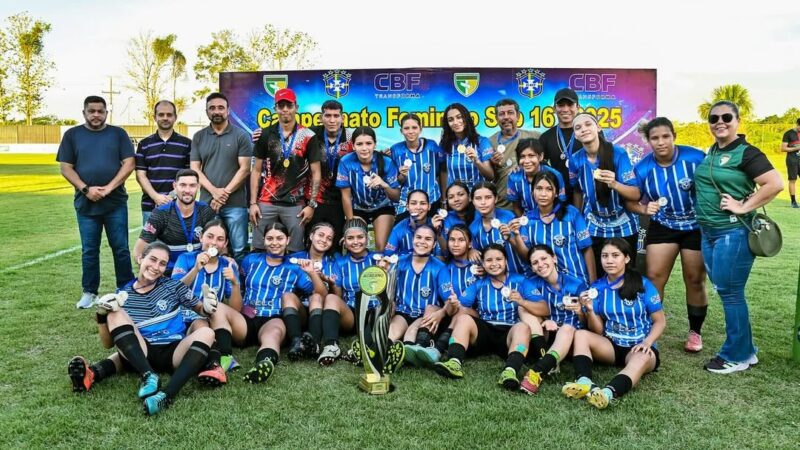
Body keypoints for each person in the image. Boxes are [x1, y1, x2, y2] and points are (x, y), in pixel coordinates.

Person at [67, 242, 219, 416]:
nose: (156, 267)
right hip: (143, 352)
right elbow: (108, 344)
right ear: (140, 258)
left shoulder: (173, 286)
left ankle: (166, 395)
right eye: (152, 259)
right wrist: (103, 317)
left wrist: (207, 307)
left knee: (207, 332)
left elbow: (200, 309)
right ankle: (148, 375)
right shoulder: (123, 294)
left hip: (174, 351)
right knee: (115, 312)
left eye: (162, 263)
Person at [693, 101, 782, 373]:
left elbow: (775, 183)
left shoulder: (747, 152)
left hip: (733, 231)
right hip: (710, 233)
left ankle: (737, 355)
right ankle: (747, 350)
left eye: (726, 117)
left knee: (731, 294)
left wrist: (743, 206)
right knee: (726, 291)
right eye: (714, 118)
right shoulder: (713, 151)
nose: (720, 121)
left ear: (737, 121)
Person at [627, 117, 708, 352]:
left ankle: (695, 332)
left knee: (694, 279)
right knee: (654, 276)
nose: (661, 142)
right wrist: (643, 208)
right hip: (663, 226)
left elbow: (713, 185)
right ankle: (650, 331)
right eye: (655, 138)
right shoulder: (642, 168)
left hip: (694, 226)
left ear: (674, 136)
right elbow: (630, 201)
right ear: (648, 141)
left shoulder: (695, 158)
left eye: (665, 136)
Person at [561, 238, 665, 409]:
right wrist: (590, 310)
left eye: (615, 255)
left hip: (638, 347)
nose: (609, 260)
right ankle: (584, 382)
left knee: (642, 356)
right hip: (611, 345)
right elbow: (598, 330)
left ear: (627, 258)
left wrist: (647, 342)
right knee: (580, 334)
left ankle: (608, 393)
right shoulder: (597, 288)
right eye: (604, 256)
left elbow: (660, 321)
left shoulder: (643, 284)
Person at [57, 95, 135, 309]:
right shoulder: (72, 135)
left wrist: (109, 188)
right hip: (86, 204)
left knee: (120, 248)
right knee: (89, 250)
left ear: (106, 113)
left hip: (115, 203)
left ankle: (125, 289)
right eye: (91, 111)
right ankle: (90, 292)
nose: (96, 115)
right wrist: (85, 189)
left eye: (100, 111)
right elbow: (65, 167)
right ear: (84, 113)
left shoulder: (118, 134)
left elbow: (129, 163)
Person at [433, 244, 545, 390]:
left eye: (498, 259)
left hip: (509, 331)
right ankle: (454, 362)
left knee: (523, 327)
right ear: (483, 264)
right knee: (463, 318)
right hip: (485, 330)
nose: (494, 264)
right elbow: (462, 307)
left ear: (506, 261)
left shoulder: (520, 280)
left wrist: (522, 301)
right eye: (489, 260)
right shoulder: (479, 283)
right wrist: (453, 303)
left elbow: (544, 308)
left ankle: (510, 372)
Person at [239, 223, 328, 382]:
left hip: (274, 319)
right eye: (270, 238)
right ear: (263, 240)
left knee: (272, 335)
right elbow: (240, 283)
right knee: (221, 312)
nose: (274, 242)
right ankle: (217, 358)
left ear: (288, 240)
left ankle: (265, 363)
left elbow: (320, 295)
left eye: (279, 238)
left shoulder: (295, 267)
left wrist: (312, 273)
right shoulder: (250, 260)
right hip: (246, 318)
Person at [569, 112, 640, 276]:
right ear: (575, 135)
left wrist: (614, 184)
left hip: (623, 223)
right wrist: (577, 218)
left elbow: (635, 194)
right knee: (599, 272)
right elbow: (577, 189)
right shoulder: (575, 159)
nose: (583, 129)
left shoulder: (618, 154)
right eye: (578, 127)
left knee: (626, 274)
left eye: (588, 124)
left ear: (598, 127)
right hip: (594, 223)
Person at [251, 88, 321, 254]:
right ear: (275, 108)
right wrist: (253, 203)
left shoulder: (308, 136)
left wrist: (311, 204)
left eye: (288, 105)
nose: (285, 110)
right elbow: (255, 171)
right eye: (281, 106)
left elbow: (316, 173)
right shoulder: (265, 134)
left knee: (295, 250)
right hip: (266, 202)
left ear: (296, 107)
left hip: (295, 205)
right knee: (260, 248)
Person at [172, 219, 243, 374]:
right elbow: (174, 292)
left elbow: (235, 309)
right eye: (209, 236)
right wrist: (196, 269)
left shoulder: (228, 265)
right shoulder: (186, 259)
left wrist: (235, 283)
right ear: (201, 237)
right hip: (190, 320)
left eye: (220, 239)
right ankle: (219, 359)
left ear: (225, 244)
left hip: (218, 320)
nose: (214, 243)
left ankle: (223, 357)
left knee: (215, 306)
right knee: (201, 323)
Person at [190, 92, 252, 261]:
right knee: (208, 247)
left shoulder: (241, 135)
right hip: (206, 203)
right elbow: (195, 169)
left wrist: (223, 194)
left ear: (228, 110)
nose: (216, 111)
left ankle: (238, 286)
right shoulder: (199, 137)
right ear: (206, 112)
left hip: (236, 204)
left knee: (239, 248)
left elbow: (245, 169)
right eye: (212, 108)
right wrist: (214, 192)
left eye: (220, 108)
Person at [518, 245, 588, 394]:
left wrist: (580, 312)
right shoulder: (531, 282)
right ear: (532, 267)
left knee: (567, 328)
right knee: (523, 307)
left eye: (544, 258)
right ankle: (546, 357)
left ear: (554, 258)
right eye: (535, 262)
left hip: (572, 337)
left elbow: (588, 324)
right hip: (547, 334)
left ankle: (538, 371)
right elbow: (537, 310)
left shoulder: (576, 283)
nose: (541, 264)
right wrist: (545, 319)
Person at [404, 224, 478, 366]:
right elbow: (448, 301)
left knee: (461, 309)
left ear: (470, 244)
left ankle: (437, 350)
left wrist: (445, 311)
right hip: (452, 312)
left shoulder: (479, 266)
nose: (455, 244)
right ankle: (419, 346)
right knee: (431, 307)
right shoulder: (445, 269)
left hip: (473, 320)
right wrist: (446, 308)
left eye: (461, 240)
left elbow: (467, 302)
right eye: (451, 239)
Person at [512, 171, 595, 284]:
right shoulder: (527, 220)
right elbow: (527, 256)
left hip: (578, 281)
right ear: (532, 192)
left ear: (556, 193)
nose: (543, 194)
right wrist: (515, 235)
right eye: (539, 188)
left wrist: (593, 283)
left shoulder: (571, 213)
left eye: (549, 189)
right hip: (548, 286)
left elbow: (587, 249)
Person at [133, 169, 216, 275]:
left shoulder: (205, 211)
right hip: (168, 274)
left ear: (198, 187)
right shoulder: (161, 213)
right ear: (175, 186)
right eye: (183, 185)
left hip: (200, 271)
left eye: (192, 185)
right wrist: (155, 275)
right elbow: (138, 251)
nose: (187, 190)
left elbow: (218, 244)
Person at [387, 226, 446, 366]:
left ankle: (407, 350)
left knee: (412, 331)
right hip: (403, 311)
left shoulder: (439, 267)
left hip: (423, 314)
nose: (422, 242)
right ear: (412, 240)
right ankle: (384, 348)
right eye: (418, 237)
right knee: (393, 331)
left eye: (428, 239)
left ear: (434, 244)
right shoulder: (399, 262)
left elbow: (449, 298)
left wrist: (442, 312)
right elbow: (388, 290)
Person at [336, 126, 400, 252]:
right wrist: (351, 224)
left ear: (375, 145)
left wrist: (384, 184)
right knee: (354, 245)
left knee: (382, 248)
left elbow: (396, 197)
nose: (364, 148)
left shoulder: (386, 162)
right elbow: (346, 196)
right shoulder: (345, 162)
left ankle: (380, 271)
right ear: (353, 146)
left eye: (368, 143)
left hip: (382, 206)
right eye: (359, 144)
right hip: (358, 208)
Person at [134, 100, 191, 225]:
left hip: (179, 206)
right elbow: (140, 175)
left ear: (175, 117)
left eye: (169, 115)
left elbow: (190, 176)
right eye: (161, 115)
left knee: (178, 244)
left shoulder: (187, 144)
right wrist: (156, 197)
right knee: (152, 244)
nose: (165, 118)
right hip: (151, 206)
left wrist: (174, 195)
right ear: (155, 117)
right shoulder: (144, 144)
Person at [306, 100, 353, 250]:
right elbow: (286, 134)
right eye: (328, 115)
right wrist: (261, 133)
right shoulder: (309, 134)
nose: (332, 120)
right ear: (321, 117)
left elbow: (368, 148)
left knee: (334, 247)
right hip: (314, 201)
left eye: (336, 116)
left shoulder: (352, 137)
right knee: (311, 244)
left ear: (342, 118)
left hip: (340, 201)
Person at [289, 222, 339, 358]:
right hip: (299, 311)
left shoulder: (333, 262)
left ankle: (314, 342)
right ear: (311, 236)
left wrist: (319, 277)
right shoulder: (293, 258)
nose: (324, 240)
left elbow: (330, 296)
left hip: (320, 312)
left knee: (316, 297)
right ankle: (296, 342)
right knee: (288, 296)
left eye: (329, 238)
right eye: (321, 235)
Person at [390, 113, 445, 220]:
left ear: (420, 129)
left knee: (432, 232)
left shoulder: (432, 146)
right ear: (401, 131)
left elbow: (441, 172)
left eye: (414, 127)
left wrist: (443, 199)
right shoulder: (395, 150)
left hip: (432, 200)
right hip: (406, 202)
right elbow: (397, 182)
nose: (411, 131)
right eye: (406, 128)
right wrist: (402, 175)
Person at [489, 98, 540, 209]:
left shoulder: (535, 137)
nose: (506, 117)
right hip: (503, 207)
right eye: (501, 114)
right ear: (496, 118)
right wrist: (492, 164)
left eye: (510, 113)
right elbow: (487, 176)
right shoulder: (489, 142)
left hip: (533, 206)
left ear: (518, 116)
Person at [469, 181, 528, 275]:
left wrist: (510, 238)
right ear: (472, 201)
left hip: (521, 276)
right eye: (478, 198)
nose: (483, 202)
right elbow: (480, 259)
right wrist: (471, 251)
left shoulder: (509, 217)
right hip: (496, 281)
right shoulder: (473, 228)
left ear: (496, 199)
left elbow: (526, 255)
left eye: (488, 197)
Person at [440, 103, 495, 194]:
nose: (455, 122)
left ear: (466, 118)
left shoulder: (482, 142)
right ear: (447, 124)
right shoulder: (445, 144)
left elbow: (490, 176)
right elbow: (443, 172)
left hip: (477, 198)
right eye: (450, 120)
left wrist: (476, 161)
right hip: (456, 199)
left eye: (459, 117)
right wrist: (444, 199)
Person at [506, 137, 566, 216]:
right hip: (527, 221)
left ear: (541, 156)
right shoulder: (514, 177)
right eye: (522, 156)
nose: (527, 161)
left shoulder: (555, 175)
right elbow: (516, 205)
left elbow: (560, 202)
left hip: (551, 218)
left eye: (531, 156)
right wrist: (523, 222)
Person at [539, 88, 580, 199]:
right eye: (561, 105)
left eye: (570, 105)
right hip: (556, 196)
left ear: (578, 108)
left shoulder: (587, 134)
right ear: (554, 108)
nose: (565, 109)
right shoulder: (546, 137)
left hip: (585, 196)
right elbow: (537, 164)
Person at [384, 189, 443, 257]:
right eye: (413, 203)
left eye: (423, 203)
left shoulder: (437, 224)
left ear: (429, 206)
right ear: (407, 207)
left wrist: (436, 232)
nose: (418, 207)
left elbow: (444, 256)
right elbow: (387, 257)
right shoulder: (398, 230)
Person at [780, 118, 800, 208]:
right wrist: (796, 148)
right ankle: (793, 201)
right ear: (797, 124)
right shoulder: (789, 133)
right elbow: (783, 148)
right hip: (792, 160)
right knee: (793, 180)